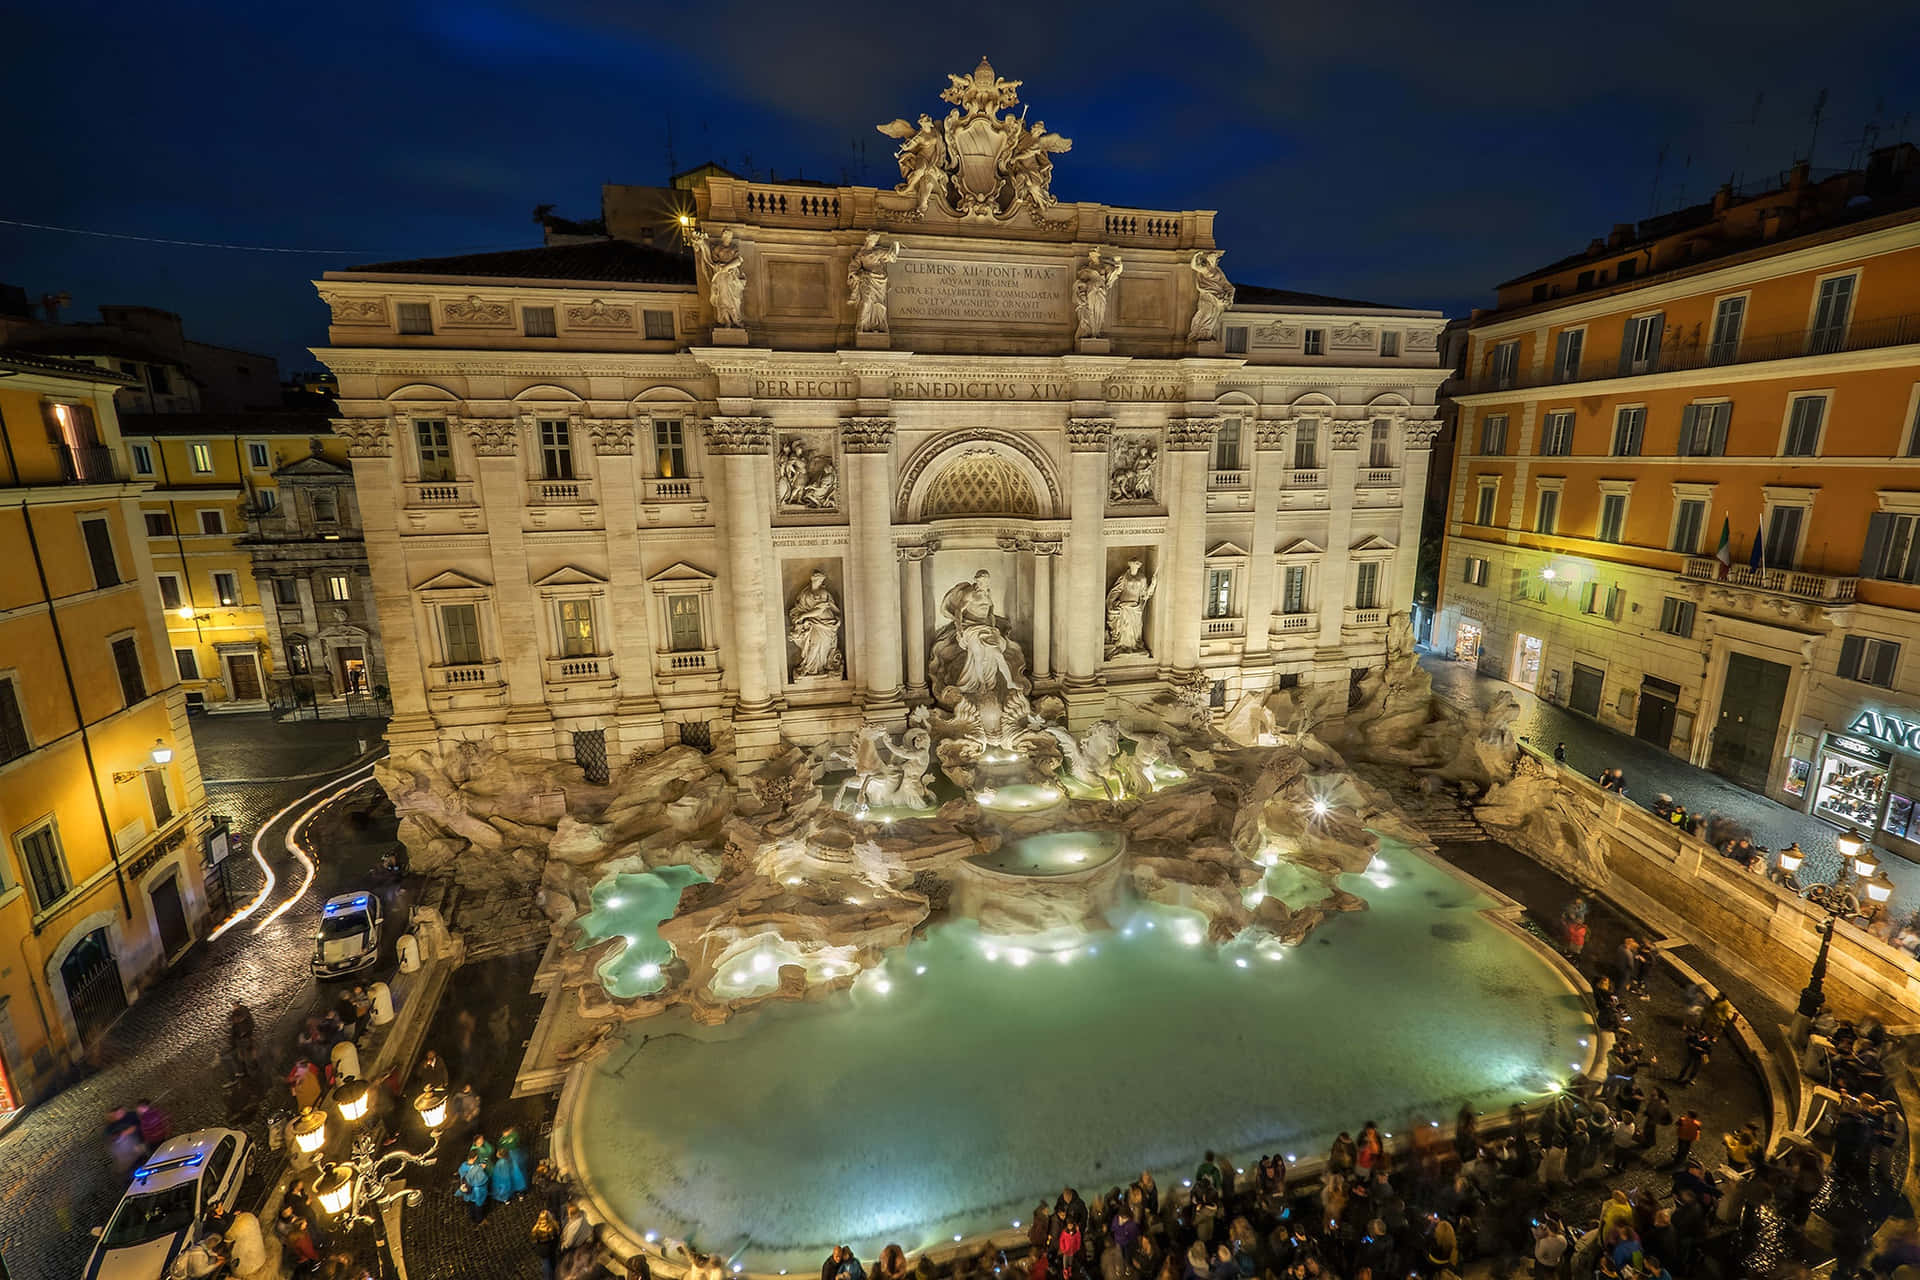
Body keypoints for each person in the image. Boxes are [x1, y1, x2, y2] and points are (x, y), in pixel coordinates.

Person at [456, 1151, 490, 1223]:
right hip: (476, 1192)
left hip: (467, 1190)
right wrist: (480, 1168)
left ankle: (472, 1215)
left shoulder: (463, 1165)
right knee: (478, 1205)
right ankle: (479, 1219)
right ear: (475, 1158)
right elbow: (481, 1180)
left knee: (471, 1204)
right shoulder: (476, 1169)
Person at [533, 1209, 563, 1280]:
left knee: (546, 1266)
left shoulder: (536, 1229)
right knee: (554, 1262)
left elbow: (534, 1241)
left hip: (543, 1252)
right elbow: (558, 1236)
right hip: (552, 1249)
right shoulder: (554, 1226)